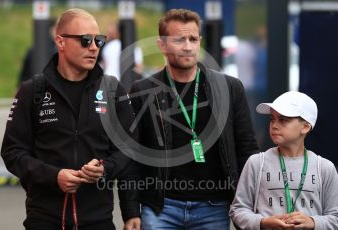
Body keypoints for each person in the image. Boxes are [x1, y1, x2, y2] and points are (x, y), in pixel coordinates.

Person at [1, 8, 140, 230]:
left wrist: (106, 171)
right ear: (60, 41)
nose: (94, 47)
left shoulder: (113, 90)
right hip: (44, 220)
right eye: (85, 40)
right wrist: (53, 176)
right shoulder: (33, 90)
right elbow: (12, 152)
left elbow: (129, 150)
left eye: (99, 40)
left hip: (98, 221)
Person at [129, 9, 258, 229]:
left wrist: (252, 206)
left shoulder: (229, 88)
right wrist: (131, 210)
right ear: (162, 45)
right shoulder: (143, 90)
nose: (188, 46)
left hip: (214, 206)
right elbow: (133, 156)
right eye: (179, 39)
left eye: (193, 39)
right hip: (161, 207)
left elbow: (246, 148)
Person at [229, 91, 338, 229]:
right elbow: (238, 210)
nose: (274, 125)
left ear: (305, 126)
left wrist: (313, 222)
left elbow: (335, 217)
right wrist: (263, 222)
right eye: (272, 119)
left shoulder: (324, 168)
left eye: (283, 120)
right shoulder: (257, 163)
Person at [99, 22, 143, 91]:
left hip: (107, 83)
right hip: (125, 86)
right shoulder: (134, 48)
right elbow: (138, 69)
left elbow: (103, 66)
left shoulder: (109, 46)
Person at [18, 18, 57, 86]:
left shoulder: (57, 49)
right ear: (50, 30)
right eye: (56, 29)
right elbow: (25, 74)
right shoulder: (34, 52)